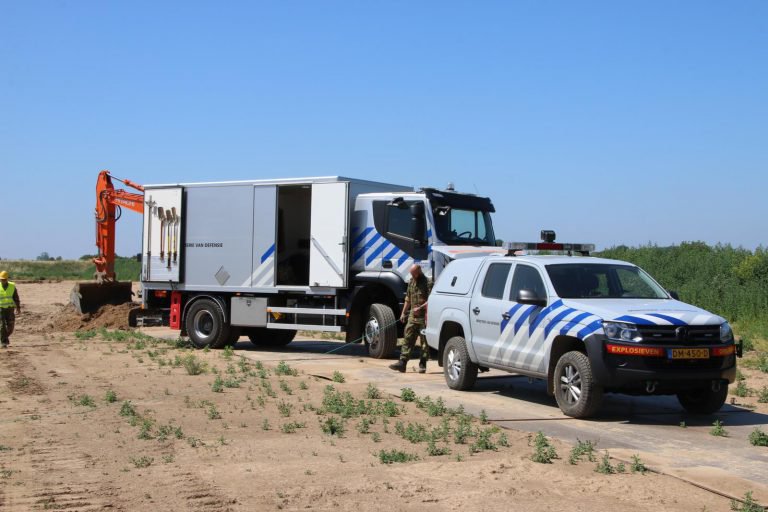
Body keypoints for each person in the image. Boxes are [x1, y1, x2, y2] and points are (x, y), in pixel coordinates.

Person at [389, 264, 431, 373]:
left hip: (424, 318)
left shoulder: (428, 283)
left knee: (424, 342)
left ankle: (423, 364)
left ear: (419, 271)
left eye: (414, 273)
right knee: (407, 338)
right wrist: (403, 313)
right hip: (412, 317)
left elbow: (431, 300)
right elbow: (408, 298)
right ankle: (402, 363)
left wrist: (421, 307)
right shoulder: (411, 281)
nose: (412, 275)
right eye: (411, 273)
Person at [0, 270, 21, 349]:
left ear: (7, 279)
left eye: (4, 279)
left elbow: (16, 297)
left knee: (11, 327)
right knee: (2, 326)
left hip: (10, 309)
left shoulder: (12, 286)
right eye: (1, 280)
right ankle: (3, 342)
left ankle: (4, 337)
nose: (3, 281)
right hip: (1, 309)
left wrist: (18, 307)